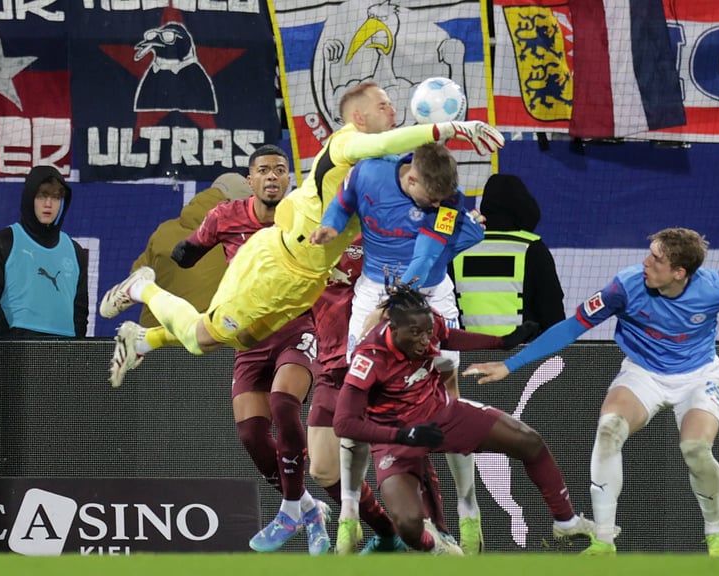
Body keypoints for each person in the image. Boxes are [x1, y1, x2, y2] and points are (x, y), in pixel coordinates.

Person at [97, 80, 504, 388]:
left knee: (240, 338)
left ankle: (145, 340)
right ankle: (142, 290)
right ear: (360, 118)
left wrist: (463, 222)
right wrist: (447, 127)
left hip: (308, 279)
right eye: (384, 106)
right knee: (203, 337)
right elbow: (397, 141)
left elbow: (424, 192)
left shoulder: (388, 166)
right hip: (280, 263)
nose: (394, 113)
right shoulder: (348, 142)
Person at [463, 227, 719, 557]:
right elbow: (572, 326)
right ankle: (604, 542)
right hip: (642, 373)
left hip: (698, 376)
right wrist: (510, 365)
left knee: (695, 450)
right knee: (609, 428)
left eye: (656, 259)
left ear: (679, 272)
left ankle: (716, 535)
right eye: (649, 253)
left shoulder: (716, 286)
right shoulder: (624, 287)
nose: (646, 262)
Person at [111, 146, 331, 555]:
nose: (271, 177)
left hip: (296, 327)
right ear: (249, 181)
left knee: (284, 403)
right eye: (263, 170)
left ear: (288, 180)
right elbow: (188, 250)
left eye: (280, 171)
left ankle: (288, 510)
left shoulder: (303, 216)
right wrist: (183, 253)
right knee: (251, 433)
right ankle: (307, 508)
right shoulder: (225, 217)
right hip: (246, 336)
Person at [309, 142, 488, 554]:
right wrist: (332, 224)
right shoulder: (369, 172)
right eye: (431, 197)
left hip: (428, 293)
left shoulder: (449, 203)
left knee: (448, 401)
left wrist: (388, 310)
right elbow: (343, 200)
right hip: (373, 289)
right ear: (410, 178)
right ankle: (349, 516)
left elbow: (424, 258)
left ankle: (468, 509)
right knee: (359, 402)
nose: (439, 203)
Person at [332, 282, 594, 555]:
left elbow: (448, 337)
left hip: (443, 414)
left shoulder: (426, 322)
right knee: (408, 525)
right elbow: (343, 423)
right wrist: (401, 436)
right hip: (396, 438)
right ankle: (437, 548)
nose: (425, 341)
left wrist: (503, 342)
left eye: (428, 333)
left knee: (529, 441)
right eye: (416, 334)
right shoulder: (369, 358)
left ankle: (566, 521)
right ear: (392, 329)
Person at [306, 236, 408, 555]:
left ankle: (437, 540)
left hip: (375, 367)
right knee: (322, 469)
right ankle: (387, 534)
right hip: (329, 367)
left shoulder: (375, 233)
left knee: (398, 466)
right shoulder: (300, 235)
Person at [129, 173, 252, 328]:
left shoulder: (164, 230)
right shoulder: (241, 241)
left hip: (152, 339)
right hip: (206, 341)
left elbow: (136, 277)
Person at [451, 173, 565, 335]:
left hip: (468, 355)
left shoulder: (459, 247)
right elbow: (552, 313)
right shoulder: (532, 248)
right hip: (522, 356)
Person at [0, 165, 88, 339]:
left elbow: (80, 312)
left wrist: (76, 350)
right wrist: (6, 349)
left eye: (56, 197)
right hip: (16, 351)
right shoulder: (3, 242)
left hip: (65, 352)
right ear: (30, 196)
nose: (49, 204)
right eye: (43, 195)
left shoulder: (75, 251)